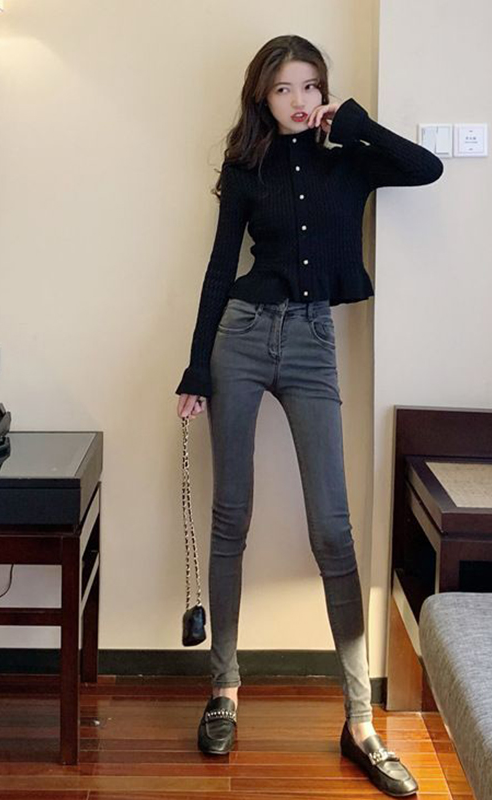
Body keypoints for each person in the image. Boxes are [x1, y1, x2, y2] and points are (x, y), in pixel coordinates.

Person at [175, 34, 443, 797]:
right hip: (240, 338)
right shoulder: (246, 166)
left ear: (324, 91)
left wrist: (356, 123)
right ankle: (224, 689)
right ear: (262, 97)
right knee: (231, 515)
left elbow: (426, 168)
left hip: (313, 343)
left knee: (333, 528)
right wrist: (196, 365)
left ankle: (360, 722)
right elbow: (219, 269)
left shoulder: (350, 154)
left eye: (309, 86)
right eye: (283, 88)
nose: (298, 100)